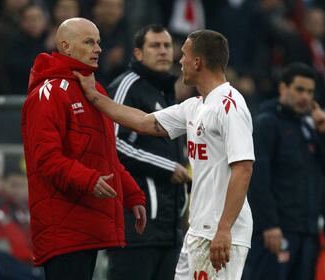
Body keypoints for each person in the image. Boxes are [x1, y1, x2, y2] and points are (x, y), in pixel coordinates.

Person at [75, 29, 255, 280]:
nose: (178, 61)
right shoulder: (196, 105)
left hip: (219, 230)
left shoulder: (229, 105)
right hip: (198, 229)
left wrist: (224, 229)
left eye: (183, 54)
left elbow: (243, 168)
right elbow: (145, 122)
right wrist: (94, 96)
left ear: (197, 62)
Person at [21, 17, 147, 280]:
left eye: (99, 42)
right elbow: (46, 159)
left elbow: (105, 156)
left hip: (86, 222)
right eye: (89, 42)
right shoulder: (48, 92)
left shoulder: (93, 90)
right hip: (64, 226)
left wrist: (132, 194)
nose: (98, 48)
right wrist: (89, 180)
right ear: (66, 46)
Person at [105, 24, 190, 280]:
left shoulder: (166, 91)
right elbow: (113, 144)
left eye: (166, 45)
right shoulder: (127, 86)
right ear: (138, 53)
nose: (163, 51)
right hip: (137, 226)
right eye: (155, 46)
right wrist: (167, 168)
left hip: (168, 226)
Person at [246, 63, 325, 280]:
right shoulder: (266, 124)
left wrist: (324, 134)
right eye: (299, 89)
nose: (305, 96)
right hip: (276, 231)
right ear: (283, 88)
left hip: (306, 232)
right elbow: (258, 179)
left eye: (310, 91)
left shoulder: (308, 127)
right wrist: (269, 225)